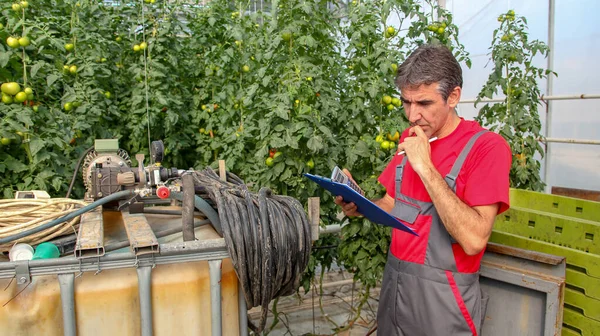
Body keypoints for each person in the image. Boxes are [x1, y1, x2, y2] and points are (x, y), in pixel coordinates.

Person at [335, 44, 511, 335]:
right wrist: (360, 204)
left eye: (424, 104)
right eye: (406, 102)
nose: (412, 115)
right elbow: (393, 203)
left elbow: (474, 239)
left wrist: (426, 167)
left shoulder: (486, 148)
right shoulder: (411, 137)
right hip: (397, 293)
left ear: (453, 96)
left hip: (444, 304)